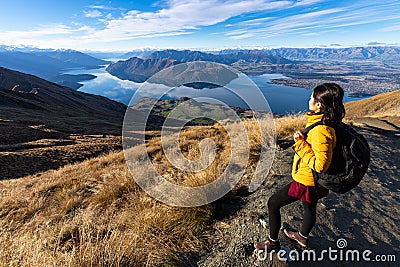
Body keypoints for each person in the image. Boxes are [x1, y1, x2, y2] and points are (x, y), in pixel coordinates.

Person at [254, 83, 346, 250]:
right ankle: (302, 237)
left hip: (307, 180)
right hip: (313, 181)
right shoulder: (326, 122)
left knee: (273, 203)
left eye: (312, 97)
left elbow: (320, 165)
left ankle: (272, 242)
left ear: (319, 105)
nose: (309, 99)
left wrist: (300, 144)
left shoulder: (321, 130)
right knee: (309, 207)